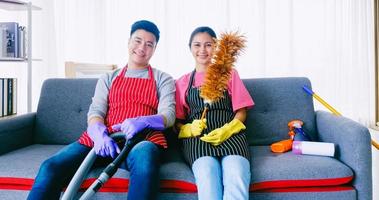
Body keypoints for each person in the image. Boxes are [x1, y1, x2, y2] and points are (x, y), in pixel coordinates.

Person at [27, 20, 176, 200]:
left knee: (145, 157)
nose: (142, 47)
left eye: (149, 44)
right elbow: (96, 111)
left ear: (154, 49)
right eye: (137, 41)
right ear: (129, 42)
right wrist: (98, 133)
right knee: (50, 167)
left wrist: (143, 121)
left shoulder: (163, 79)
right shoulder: (109, 78)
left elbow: (169, 115)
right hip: (105, 138)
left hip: (141, 139)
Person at [175, 26, 254, 200]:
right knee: (207, 177)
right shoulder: (182, 82)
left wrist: (229, 129)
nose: (202, 50)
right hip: (198, 140)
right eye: (197, 45)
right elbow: (177, 122)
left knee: (236, 175)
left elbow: (241, 111)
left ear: (216, 47)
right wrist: (188, 129)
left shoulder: (229, 74)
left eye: (208, 45)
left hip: (231, 137)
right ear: (190, 48)